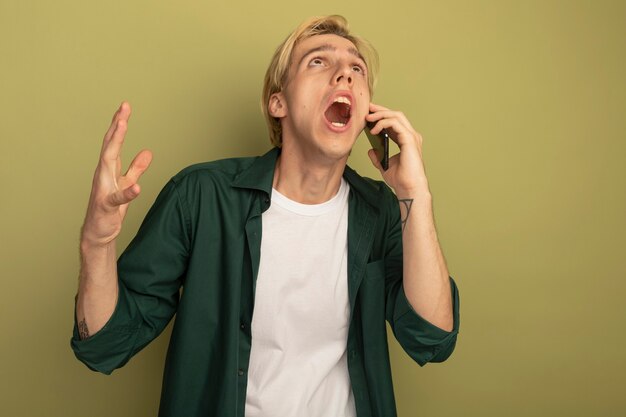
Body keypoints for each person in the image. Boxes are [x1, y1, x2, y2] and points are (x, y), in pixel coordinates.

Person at [71, 15, 460, 417]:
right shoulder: (201, 196)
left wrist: (415, 194)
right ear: (279, 103)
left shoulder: (380, 209)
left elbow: (431, 338)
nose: (345, 73)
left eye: (356, 69)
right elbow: (105, 345)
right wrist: (96, 242)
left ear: (367, 112)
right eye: (318, 62)